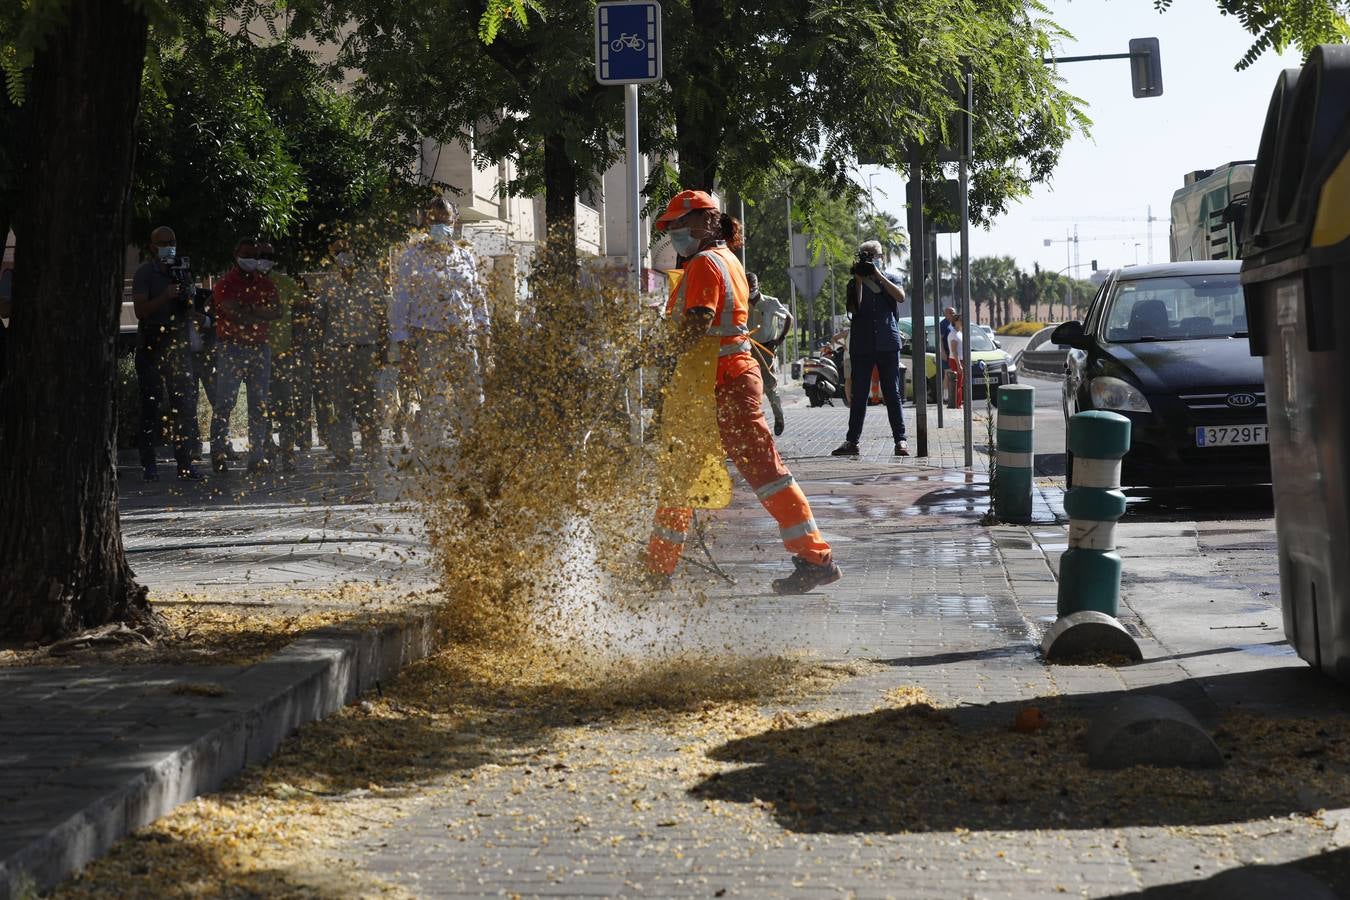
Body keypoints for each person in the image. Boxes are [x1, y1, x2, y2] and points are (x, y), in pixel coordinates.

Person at [643, 190, 841, 595]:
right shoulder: (727, 260)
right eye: (672, 228)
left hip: (724, 382)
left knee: (765, 474)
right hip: (715, 383)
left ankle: (815, 557)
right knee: (683, 476)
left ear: (706, 222)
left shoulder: (703, 263)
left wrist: (652, 352)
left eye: (680, 225)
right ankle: (657, 568)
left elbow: (698, 322)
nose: (675, 234)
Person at [390, 198, 490, 461]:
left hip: (464, 337)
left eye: (445, 220)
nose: (440, 225)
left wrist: (485, 332)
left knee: (472, 398)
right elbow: (401, 303)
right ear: (426, 221)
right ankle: (433, 456)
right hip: (428, 338)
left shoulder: (465, 256)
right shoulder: (411, 257)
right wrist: (405, 347)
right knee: (434, 400)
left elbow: (477, 297)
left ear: (453, 222)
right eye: (434, 220)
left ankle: (474, 452)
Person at [131, 225, 203, 481]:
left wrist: (191, 303)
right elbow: (141, 311)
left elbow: (188, 306)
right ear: (153, 246)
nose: (168, 246)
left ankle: (185, 463)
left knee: (182, 406)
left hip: (177, 347)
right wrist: (165, 296)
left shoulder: (182, 272)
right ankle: (148, 464)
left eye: (172, 241)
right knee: (151, 405)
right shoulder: (144, 273)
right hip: (151, 345)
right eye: (163, 242)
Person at [210, 238, 281, 474]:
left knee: (259, 405)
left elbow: (276, 311)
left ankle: (257, 457)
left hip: (259, 348)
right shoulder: (225, 283)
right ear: (236, 254)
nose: (251, 259)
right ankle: (218, 453)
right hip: (231, 348)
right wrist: (258, 312)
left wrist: (247, 309)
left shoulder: (265, 283)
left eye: (254, 254)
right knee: (224, 403)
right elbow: (232, 312)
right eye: (247, 254)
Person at [832, 239, 909, 458]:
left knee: (892, 393)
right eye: (865, 254)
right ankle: (852, 441)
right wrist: (858, 280)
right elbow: (853, 307)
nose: (868, 258)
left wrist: (877, 275)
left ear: (880, 257)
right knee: (859, 395)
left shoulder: (891, 278)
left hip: (887, 342)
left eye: (872, 254)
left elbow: (900, 297)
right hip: (862, 345)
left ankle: (900, 441)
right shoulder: (853, 282)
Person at [318, 240, 388, 469]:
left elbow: (382, 317)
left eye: (346, 252)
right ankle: (342, 454)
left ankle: (372, 452)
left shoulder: (370, 281)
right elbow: (320, 318)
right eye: (338, 253)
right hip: (336, 351)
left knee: (367, 405)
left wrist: (384, 350)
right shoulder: (328, 283)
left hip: (365, 350)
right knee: (339, 404)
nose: (343, 257)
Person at [745, 272, 793, 436]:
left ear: (758, 285)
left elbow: (788, 318)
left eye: (752, 285)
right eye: (747, 285)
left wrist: (779, 340)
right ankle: (754, 424)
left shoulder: (770, 303)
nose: (750, 288)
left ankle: (779, 418)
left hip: (765, 349)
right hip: (746, 349)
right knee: (748, 387)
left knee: (769, 386)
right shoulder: (741, 302)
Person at [947, 313, 966, 409]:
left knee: (960, 383)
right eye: (960, 320)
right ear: (955, 322)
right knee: (957, 383)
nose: (962, 322)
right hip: (955, 360)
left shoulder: (959, 333)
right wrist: (959, 364)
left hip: (960, 360)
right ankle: (956, 404)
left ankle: (959, 403)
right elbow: (954, 351)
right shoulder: (953, 334)